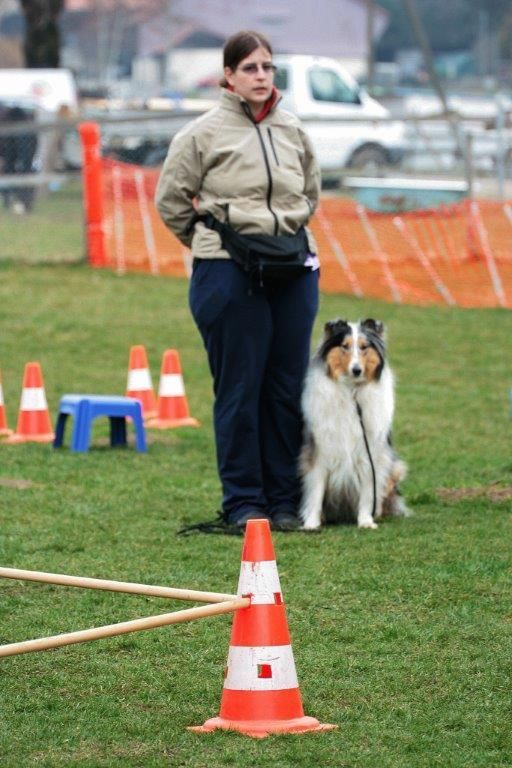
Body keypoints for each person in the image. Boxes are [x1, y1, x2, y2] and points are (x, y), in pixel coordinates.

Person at [155, 30, 321, 531]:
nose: (261, 76)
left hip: (292, 268)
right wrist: (214, 245)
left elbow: (310, 194)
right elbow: (170, 202)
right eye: (249, 68)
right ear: (228, 76)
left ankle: (285, 501)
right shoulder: (201, 134)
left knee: (286, 388)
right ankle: (245, 502)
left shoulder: (293, 130)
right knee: (240, 389)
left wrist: (280, 232)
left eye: (267, 67)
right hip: (228, 272)